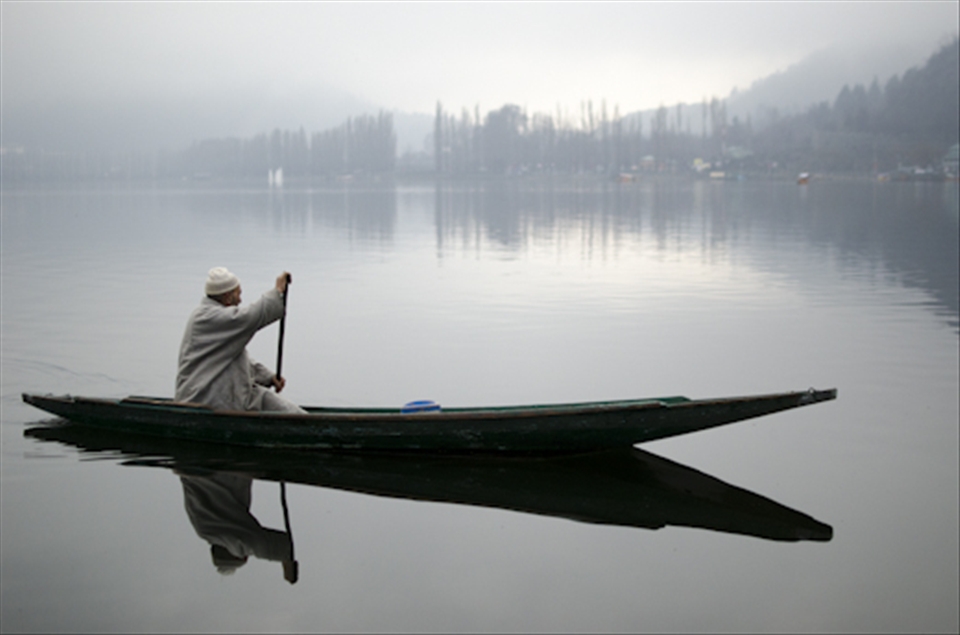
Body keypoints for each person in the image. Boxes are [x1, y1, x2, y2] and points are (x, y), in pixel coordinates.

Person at [175, 267, 306, 414]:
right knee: (283, 411)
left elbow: (239, 360)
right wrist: (277, 291)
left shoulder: (214, 320)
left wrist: (268, 377)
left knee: (292, 412)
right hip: (205, 400)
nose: (240, 300)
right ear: (227, 296)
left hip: (233, 396)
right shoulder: (207, 318)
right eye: (238, 294)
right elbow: (250, 316)